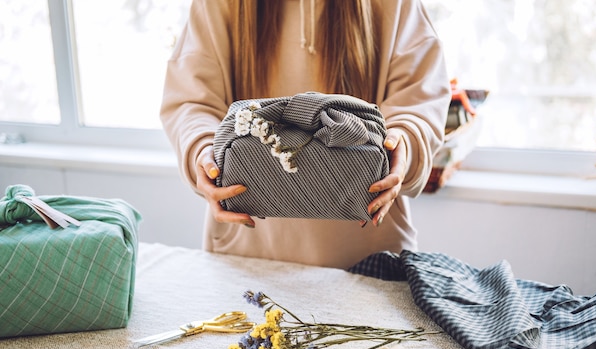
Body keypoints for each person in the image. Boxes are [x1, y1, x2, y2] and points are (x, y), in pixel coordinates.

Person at [160, 0, 450, 269]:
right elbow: (191, 100)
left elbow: (419, 98)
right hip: (246, 258)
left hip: (371, 259)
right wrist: (202, 149)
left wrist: (405, 143)